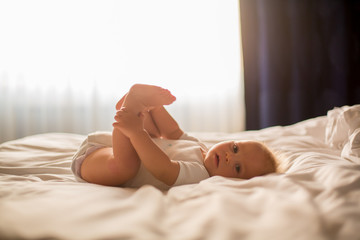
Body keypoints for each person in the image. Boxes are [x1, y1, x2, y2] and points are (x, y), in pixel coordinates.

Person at [71, 84, 278, 190]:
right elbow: (172, 133)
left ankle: (133, 102)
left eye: (237, 168)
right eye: (234, 148)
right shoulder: (200, 148)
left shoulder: (200, 174)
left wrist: (137, 132)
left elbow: (164, 169)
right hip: (110, 148)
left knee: (126, 167)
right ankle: (142, 105)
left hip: (95, 163)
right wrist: (158, 109)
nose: (229, 157)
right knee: (150, 139)